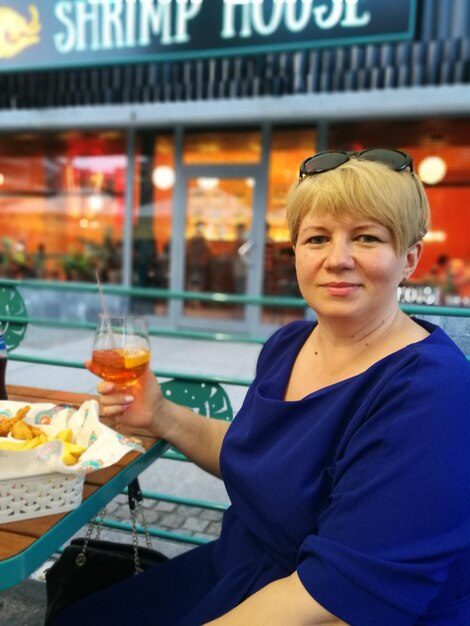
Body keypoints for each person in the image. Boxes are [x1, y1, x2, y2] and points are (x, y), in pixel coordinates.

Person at [57, 149, 470, 625]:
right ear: (296, 253)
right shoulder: (288, 345)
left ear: (409, 259)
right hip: (240, 566)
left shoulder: (430, 393)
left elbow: (333, 602)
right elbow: (252, 456)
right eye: (317, 238)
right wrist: (159, 414)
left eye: (366, 237)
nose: (337, 259)